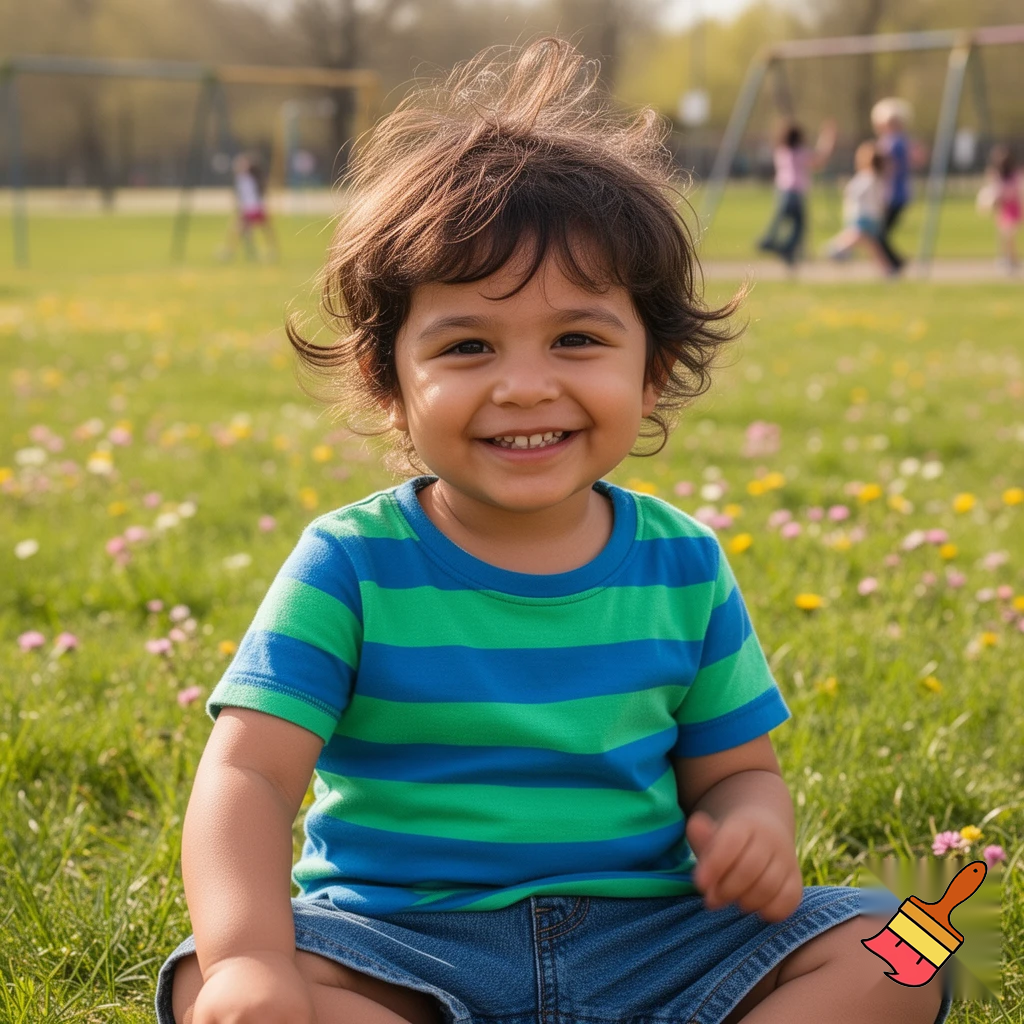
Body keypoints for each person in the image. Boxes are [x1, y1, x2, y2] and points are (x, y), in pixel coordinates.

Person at [155, 38, 949, 1024]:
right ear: (387, 380)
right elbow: (247, 778)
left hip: (650, 940)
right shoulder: (351, 565)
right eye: (467, 345)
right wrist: (247, 957)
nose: (525, 384)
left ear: (652, 369)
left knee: (902, 945)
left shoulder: (681, 563)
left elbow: (738, 772)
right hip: (401, 945)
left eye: (577, 338)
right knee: (220, 991)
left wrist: (753, 828)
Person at [757, 118, 836, 266]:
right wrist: (828, 137)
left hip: (782, 191)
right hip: (796, 192)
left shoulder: (781, 151)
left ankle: (770, 240)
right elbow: (820, 160)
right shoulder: (800, 153)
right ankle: (785, 248)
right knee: (799, 227)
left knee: (780, 219)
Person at [824, 141, 891, 272]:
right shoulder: (874, 179)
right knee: (869, 243)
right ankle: (886, 269)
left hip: (865, 215)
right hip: (866, 215)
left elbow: (853, 191)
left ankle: (838, 249)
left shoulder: (869, 178)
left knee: (864, 241)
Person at [871, 98, 918, 274]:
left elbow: (889, 166)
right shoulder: (897, 140)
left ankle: (896, 264)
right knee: (879, 232)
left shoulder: (894, 142)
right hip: (894, 193)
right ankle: (895, 263)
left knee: (878, 232)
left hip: (894, 194)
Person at [220, 152, 278, 262]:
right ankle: (257, 251)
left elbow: (246, 196)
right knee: (251, 231)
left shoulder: (246, 179)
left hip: (251, 209)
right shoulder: (247, 178)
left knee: (239, 230)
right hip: (255, 208)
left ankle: (231, 252)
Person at [977, 145, 1021, 272]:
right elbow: (993, 190)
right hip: (1003, 207)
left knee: (1008, 234)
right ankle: (1006, 258)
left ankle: (1012, 260)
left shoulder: (1014, 174)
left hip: (1012, 207)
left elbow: (1017, 192)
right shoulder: (997, 174)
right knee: (1003, 235)